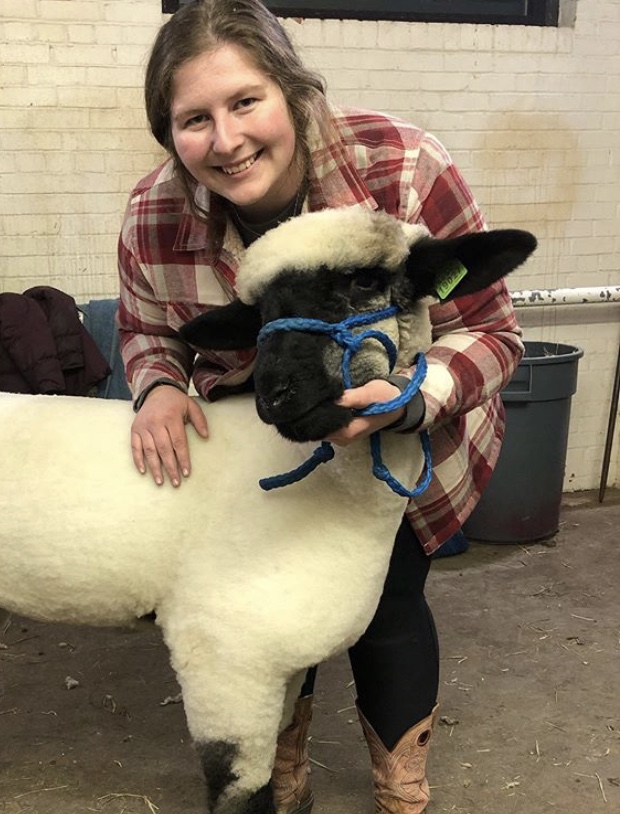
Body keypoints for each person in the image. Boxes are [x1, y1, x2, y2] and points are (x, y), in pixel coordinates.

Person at [116, 1, 524, 812]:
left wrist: (411, 399)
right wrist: (157, 384)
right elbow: (148, 328)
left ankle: (401, 791)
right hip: (273, 444)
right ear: (169, 133)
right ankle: (282, 774)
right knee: (272, 603)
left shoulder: (403, 167)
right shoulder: (155, 214)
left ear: (294, 91)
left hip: (410, 437)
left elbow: (491, 329)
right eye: (194, 119)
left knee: (388, 602)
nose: (226, 140)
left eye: (245, 101)